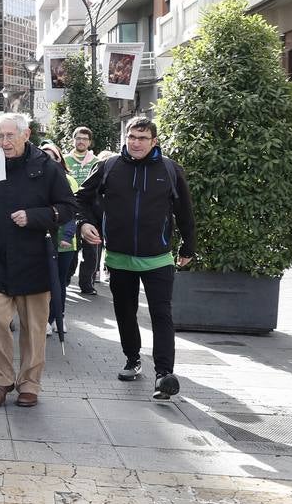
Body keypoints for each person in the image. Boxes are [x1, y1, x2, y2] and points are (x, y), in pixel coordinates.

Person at [78, 116, 196, 400]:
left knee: (161, 314)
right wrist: (84, 223)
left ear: (154, 141)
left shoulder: (169, 169)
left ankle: (164, 374)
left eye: (142, 138)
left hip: (158, 257)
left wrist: (188, 247)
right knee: (125, 312)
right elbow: (80, 198)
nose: (135, 142)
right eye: (131, 136)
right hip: (119, 257)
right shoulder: (109, 166)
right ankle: (132, 358)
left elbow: (185, 212)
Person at [0, 114, 75, 408]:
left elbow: (68, 208)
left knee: (34, 328)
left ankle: (29, 384)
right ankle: (2, 380)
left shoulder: (47, 167)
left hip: (35, 258)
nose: (3, 143)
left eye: (9, 136)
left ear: (26, 134)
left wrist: (36, 217)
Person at [40, 143, 81, 333]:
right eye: (44, 157)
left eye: (53, 157)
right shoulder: (34, 179)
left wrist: (68, 235)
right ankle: (46, 319)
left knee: (60, 282)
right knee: (45, 281)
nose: (49, 161)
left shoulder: (69, 180)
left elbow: (74, 210)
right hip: (42, 240)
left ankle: (58, 316)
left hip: (65, 242)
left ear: (60, 160)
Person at [65, 127, 100, 295]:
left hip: (90, 211)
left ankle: (87, 284)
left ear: (89, 142)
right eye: (78, 138)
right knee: (71, 249)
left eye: (85, 139)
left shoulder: (97, 162)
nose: (81, 141)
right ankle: (65, 278)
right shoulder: (65, 161)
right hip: (69, 210)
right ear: (73, 140)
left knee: (91, 251)